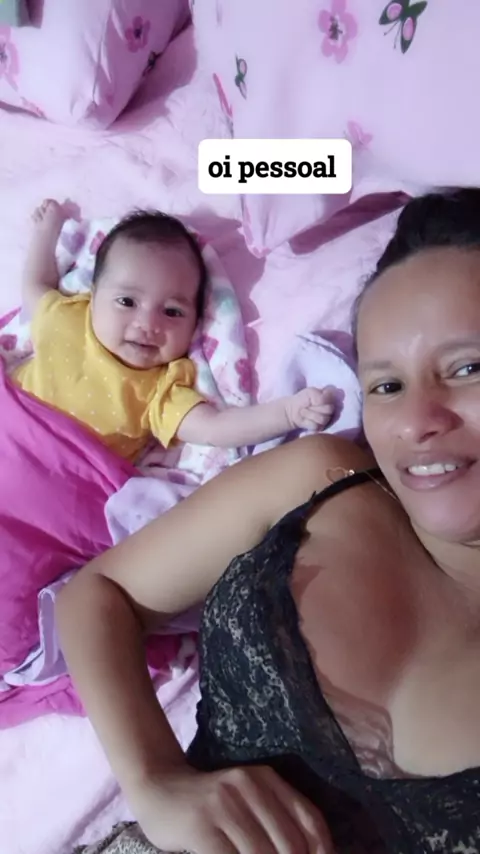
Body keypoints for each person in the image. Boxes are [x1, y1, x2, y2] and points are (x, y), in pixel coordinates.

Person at [57, 188, 480, 854]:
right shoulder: (318, 480)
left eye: (467, 368)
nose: (415, 422)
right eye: (387, 386)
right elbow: (95, 594)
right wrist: (157, 780)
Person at [12, 200, 333, 461]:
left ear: (195, 323)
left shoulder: (161, 388)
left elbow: (215, 428)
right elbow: (35, 284)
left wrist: (287, 413)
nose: (147, 324)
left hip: (62, 476)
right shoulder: (67, 317)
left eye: (172, 311)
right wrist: (46, 232)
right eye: (126, 301)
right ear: (93, 298)